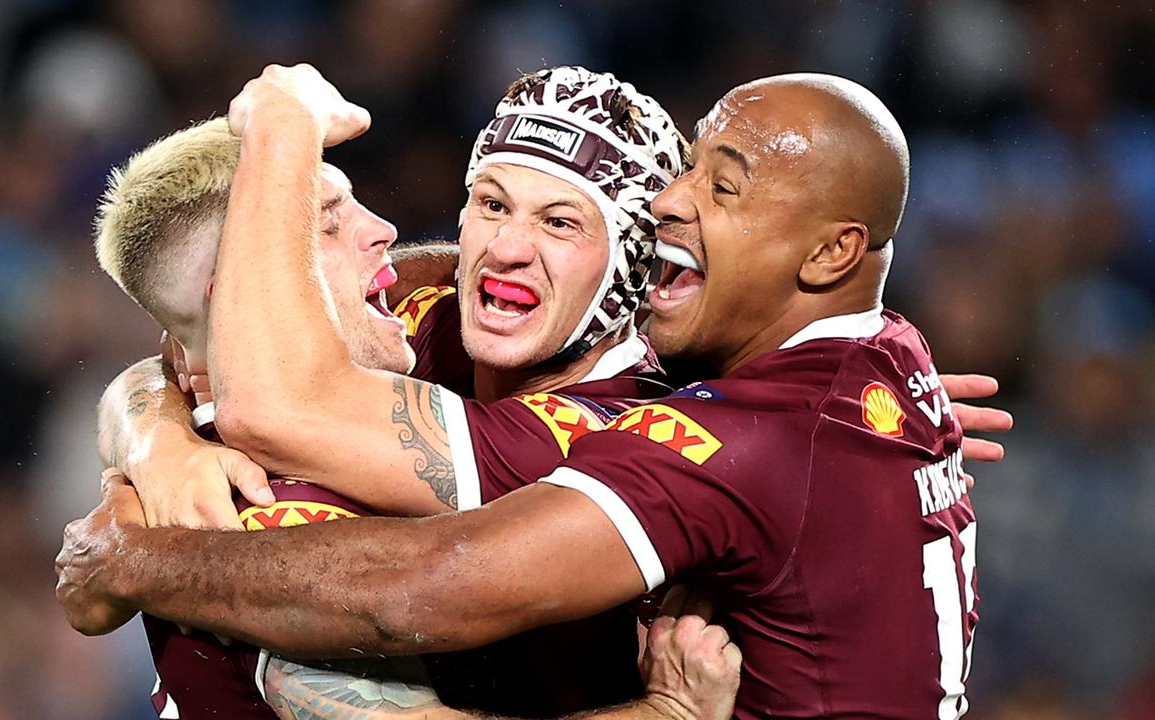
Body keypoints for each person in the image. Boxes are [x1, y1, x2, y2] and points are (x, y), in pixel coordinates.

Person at [59, 70, 990, 717]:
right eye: (490, 205)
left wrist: (136, 555)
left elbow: (426, 583)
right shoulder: (421, 325)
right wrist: (155, 422)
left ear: (624, 265)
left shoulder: (663, 430)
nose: (498, 249)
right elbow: (206, 348)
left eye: (560, 221)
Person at [90, 116, 745, 720]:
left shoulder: (390, 349)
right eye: (324, 223)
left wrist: (150, 433)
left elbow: (174, 356)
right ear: (240, 293)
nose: (382, 230)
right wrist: (670, 714)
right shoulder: (272, 506)